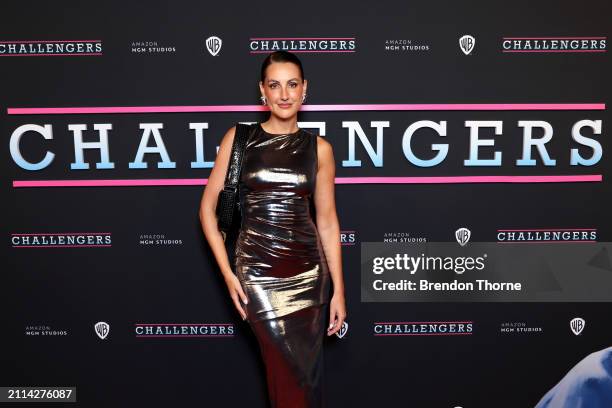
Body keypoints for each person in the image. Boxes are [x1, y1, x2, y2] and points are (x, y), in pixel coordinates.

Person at [199, 50, 347, 407]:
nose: (284, 94)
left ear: (304, 89)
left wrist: (338, 291)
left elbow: (326, 220)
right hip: (259, 275)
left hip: (310, 276)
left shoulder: (320, 149)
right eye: (275, 85)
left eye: (292, 84)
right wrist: (228, 275)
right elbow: (207, 210)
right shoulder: (240, 139)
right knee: (286, 368)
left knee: (305, 377)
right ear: (262, 91)